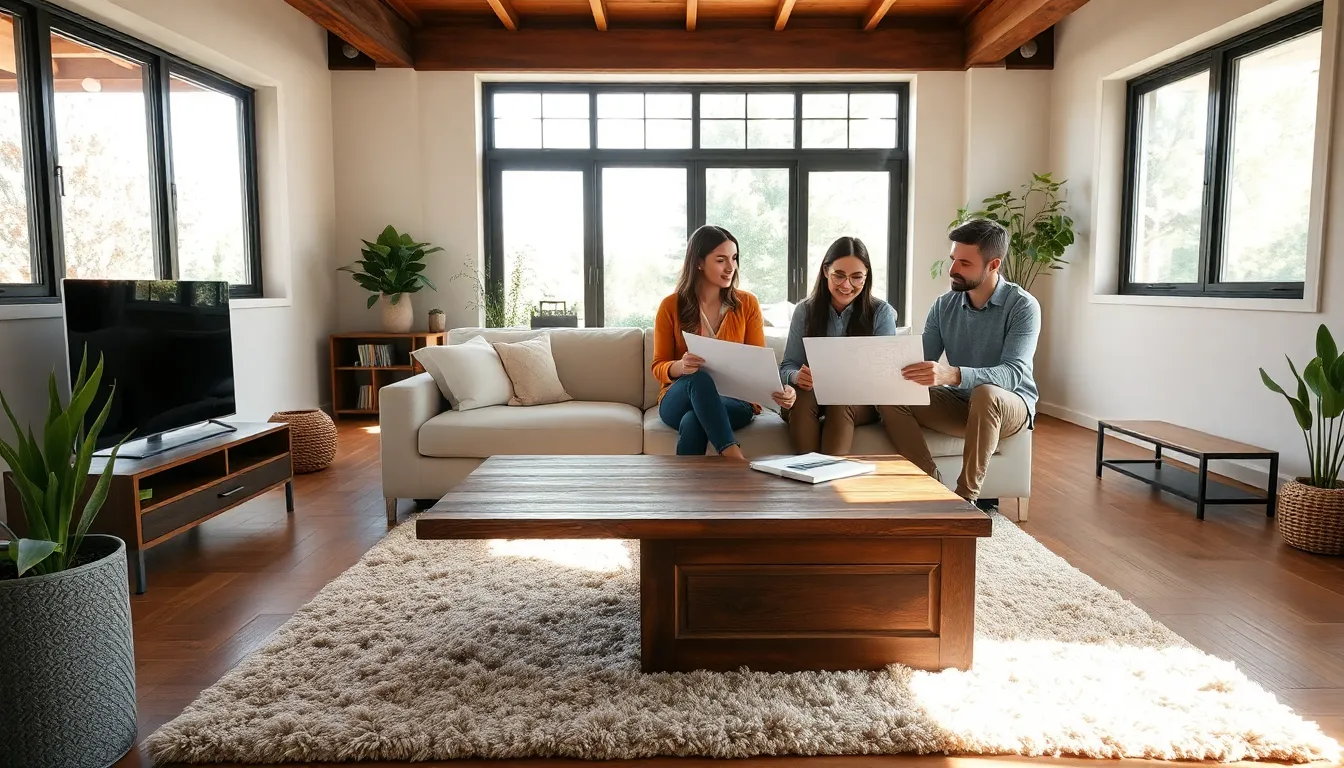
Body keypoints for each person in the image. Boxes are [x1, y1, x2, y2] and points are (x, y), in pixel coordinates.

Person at [891, 218, 1040, 506]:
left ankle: (965, 501)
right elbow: (919, 362)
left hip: (1009, 407)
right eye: (953, 259)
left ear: (993, 265)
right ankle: (930, 484)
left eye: (965, 263)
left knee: (986, 393)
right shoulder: (943, 305)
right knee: (896, 395)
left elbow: (1012, 374)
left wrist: (953, 375)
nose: (953, 270)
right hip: (961, 403)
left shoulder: (1023, 306)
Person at [652, 225, 797, 458]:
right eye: (721, 260)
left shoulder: (747, 304)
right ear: (699, 262)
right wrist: (680, 366)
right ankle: (734, 459)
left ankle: (683, 492)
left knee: (693, 421)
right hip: (679, 398)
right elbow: (658, 366)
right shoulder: (671, 306)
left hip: (736, 401)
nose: (731, 267)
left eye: (734, 258)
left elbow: (757, 363)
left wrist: (783, 390)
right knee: (697, 379)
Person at [779, 236, 900, 455]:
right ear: (826, 271)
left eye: (856, 277)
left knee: (841, 399)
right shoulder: (805, 311)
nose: (846, 285)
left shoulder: (881, 313)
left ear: (866, 277)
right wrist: (797, 377)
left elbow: (887, 376)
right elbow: (788, 365)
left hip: (860, 401)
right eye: (839, 275)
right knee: (802, 395)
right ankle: (806, 473)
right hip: (812, 395)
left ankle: (830, 481)